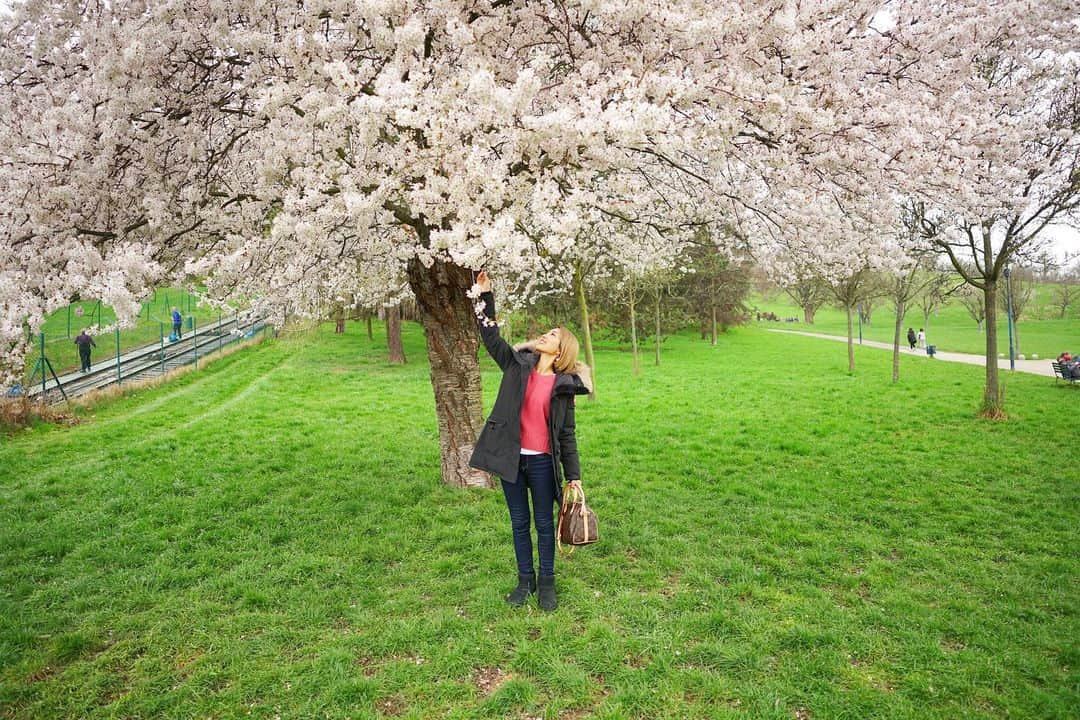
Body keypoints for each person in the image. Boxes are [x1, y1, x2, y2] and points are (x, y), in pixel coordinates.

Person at [468, 270, 592, 612]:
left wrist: (574, 476)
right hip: (511, 458)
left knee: (542, 524)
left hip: (541, 463)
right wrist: (483, 296)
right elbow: (490, 336)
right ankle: (526, 581)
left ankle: (547, 583)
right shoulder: (516, 365)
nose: (544, 335)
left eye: (552, 335)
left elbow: (567, 435)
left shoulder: (564, 387)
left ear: (561, 348)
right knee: (519, 522)